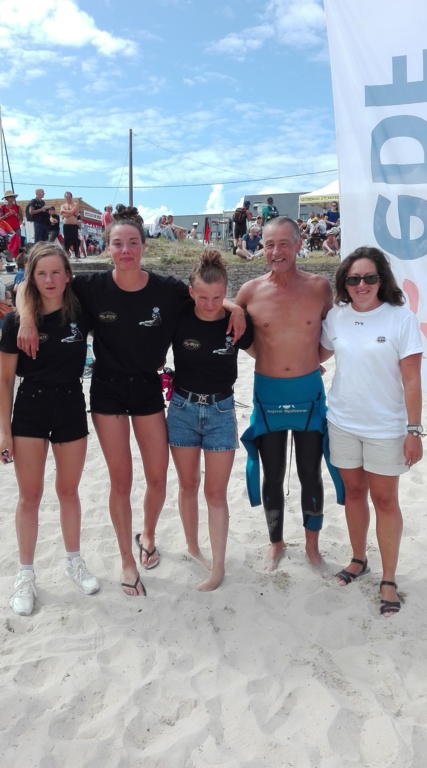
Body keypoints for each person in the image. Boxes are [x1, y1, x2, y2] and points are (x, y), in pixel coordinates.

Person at [17, 214, 246, 596]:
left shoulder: (166, 289)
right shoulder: (90, 286)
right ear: (108, 247)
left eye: (132, 243)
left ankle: (148, 536)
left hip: (147, 386)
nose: (125, 250)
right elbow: (32, 285)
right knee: (120, 480)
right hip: (107, 388)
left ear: (144, 246)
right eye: (118, 243)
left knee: (158, 477)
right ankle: (127, 561)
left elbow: (205, 295)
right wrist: (25, 317)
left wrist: (234, 306)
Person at [319, 246, 423, 618]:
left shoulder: (400, 319)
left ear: (382, 279)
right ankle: (358, 559)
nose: (361, 285)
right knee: (354, 493)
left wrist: (414, 430)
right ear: (344, 283)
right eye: (353, 279)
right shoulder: (337, 316)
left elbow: (412, 380)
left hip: (386, 428)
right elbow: (316, 354)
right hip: (342, 422)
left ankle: (389, 578)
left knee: (385, 501)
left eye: (369, 277)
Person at [0, 242, 100, 616]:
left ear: (68, 275)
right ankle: (26, 574)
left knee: (68, 491)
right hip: (31, 406)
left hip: (71, 402)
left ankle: (74, 561)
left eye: (56, 272)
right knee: (30, 495)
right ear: (31, 278)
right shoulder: (16, 321)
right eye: (41, 273)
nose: (50, 280)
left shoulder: (81, 311)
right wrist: (4, 430)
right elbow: (5, 379)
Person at [237, 217, 339, 572]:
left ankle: (312, 546)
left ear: (298, 245)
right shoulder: (249, 291)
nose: (276, 251)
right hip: (268, 391)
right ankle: (276, 543)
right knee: (273, 473)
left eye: (284, 244)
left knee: (311, 472)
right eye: (269, 245)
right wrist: (270, 357)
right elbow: (242, 336)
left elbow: (333, 333)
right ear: (261, 248)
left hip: (308, 391)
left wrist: (310, 361)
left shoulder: (319, 287)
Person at [167, 249, 253, 591]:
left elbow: (265, 350)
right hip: (182, 409)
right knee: (187, 485)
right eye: (202, 297)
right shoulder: (179, 314)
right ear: (191, 292)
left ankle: (218, 567)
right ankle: (193, 547)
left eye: (218, 297)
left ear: (226, 291)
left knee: (215, 493)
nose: (210, 304)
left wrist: (236, 309)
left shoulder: (236, 322)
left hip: (221, 411)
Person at [60, 191, 81, 259]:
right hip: (66, 225)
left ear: (71, 197)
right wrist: (70, 213)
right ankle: (66, 253)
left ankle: (76, 254)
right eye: (66, 197)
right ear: (65, 198)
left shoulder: (75, 205)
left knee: (75, 239)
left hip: (74, 225)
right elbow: (63, 214)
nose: (68, 198)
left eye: (69, 197)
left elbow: (72, 212)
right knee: (66, 239)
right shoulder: (63, 205)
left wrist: (65, 211)